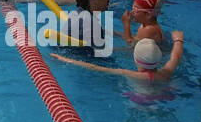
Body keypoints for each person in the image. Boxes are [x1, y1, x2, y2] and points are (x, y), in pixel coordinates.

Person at [50, 32, 183, 84]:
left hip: (140, 102)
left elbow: (94, 67)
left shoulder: (131, 74)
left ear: (136, 59)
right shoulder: (165, 73)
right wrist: (178, 41)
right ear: (159, 60)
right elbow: (174, 57)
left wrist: (65, 59)